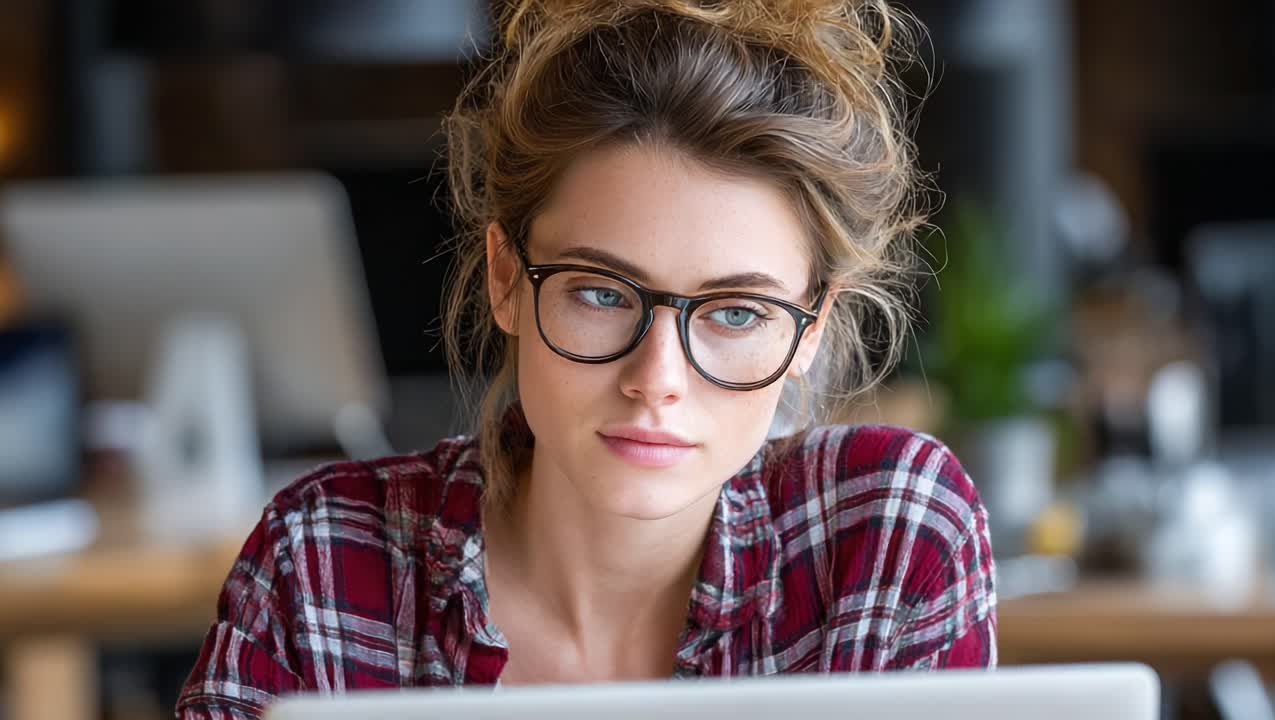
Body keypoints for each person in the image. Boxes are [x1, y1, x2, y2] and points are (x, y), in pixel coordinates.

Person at [176, 0, 996, 716]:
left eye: (737, 312)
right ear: (507, 277)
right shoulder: (320, 563)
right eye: (603, 294)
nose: (657, 383)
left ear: (810, 330)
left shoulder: (888, 542)